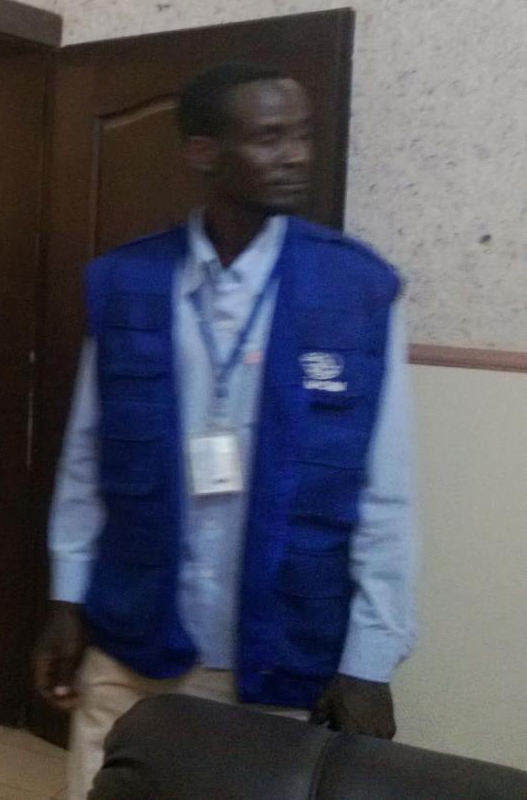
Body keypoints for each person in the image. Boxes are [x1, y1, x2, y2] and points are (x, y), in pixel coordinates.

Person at [32, 62, 417, 800]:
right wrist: (67, 600)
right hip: (132, 649)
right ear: (204, 152)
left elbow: (386, 492)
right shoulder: (130, 282)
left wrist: (370, 660)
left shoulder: (356, 288)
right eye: (270, 138)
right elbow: (86, 457)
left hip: (282, 658)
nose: (296, 155)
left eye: (303, 135)